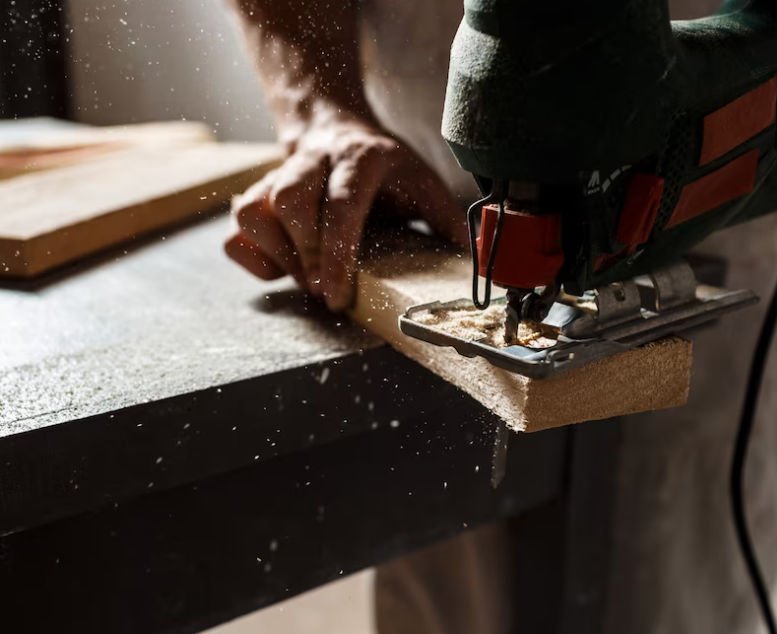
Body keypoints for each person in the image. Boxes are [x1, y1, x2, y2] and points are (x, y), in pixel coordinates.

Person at [221, 1, 777, 633]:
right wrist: (321, 107)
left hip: (714, 204)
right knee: (447, 582)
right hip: (429, 180)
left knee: (671, 590)